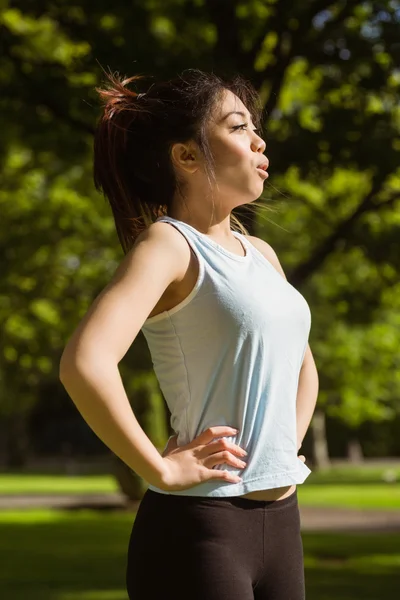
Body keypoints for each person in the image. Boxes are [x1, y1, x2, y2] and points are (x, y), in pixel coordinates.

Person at [59, 67, 319, 600]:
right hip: (200, 528)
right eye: (238, 126)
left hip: (282, 519)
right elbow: (85, 362)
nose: (258, 139)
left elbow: (302, 363)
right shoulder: (169, 245)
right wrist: (159, 468)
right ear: (186, 156)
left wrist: (282, 445)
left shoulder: (263, 255)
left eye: (255, 127)